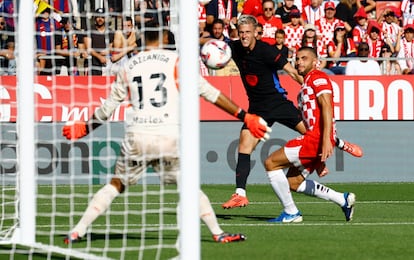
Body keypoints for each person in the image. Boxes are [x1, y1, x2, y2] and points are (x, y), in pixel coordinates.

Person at [62, 29, 271, 245]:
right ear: (164, 40)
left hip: (137, 137)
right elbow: (211, 94)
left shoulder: (128, 66)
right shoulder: (176, 62)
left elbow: (108, 109)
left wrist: (86, 128)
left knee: (116, 184)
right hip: (167, 137)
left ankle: (78, 230)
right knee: (188, 186)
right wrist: (245, 117)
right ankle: (218, 233)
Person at [221, 15, 362, 210]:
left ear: (256, 32)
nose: (244, 36)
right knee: (244, 147)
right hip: (257, 109)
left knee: (312, 132)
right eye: (241, 32)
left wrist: (309, 87)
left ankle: (338, 143)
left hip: (278, 103)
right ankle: (240, 194)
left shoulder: (267, 51)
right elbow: (213, 45)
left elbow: (293, 72)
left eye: (247, 32)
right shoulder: (234, 48)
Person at [264, 46, 355, 223]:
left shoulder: (318, 77)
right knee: (294, 182)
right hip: (317, 139)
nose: (298, 61)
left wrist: (325, 141)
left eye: (304, 58)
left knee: (271, 163)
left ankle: (291, 212)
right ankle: (342, 200)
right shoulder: (307, 82)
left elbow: (327, 106)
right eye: (297, 58)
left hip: (315, 138)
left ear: (316, 62)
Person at [83, 8, 114, 76]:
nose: (100, 19)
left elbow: (111, 47)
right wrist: (100, 57)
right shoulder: (89, 30)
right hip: (92, 64)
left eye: (102, 17)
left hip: (106, 64)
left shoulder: (110, 32)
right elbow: (88, 48)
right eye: (98, 17)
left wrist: (108, 51)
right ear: (95, 18)